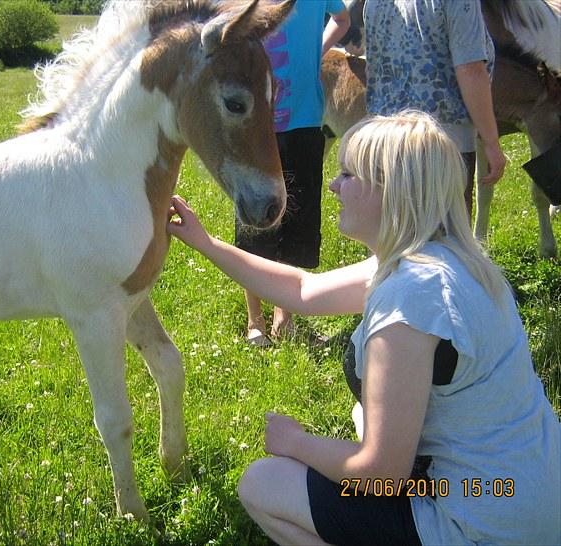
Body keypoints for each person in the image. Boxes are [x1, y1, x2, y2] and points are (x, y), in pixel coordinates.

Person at [167, 111, 560, 545]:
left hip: (480, 519)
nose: (334, 186)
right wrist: (206, 243)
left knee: (263, 483)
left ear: (392, 190)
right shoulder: (443, 258)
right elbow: (304, 290)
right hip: (529, 495)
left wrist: (296, 442)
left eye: (348, 174)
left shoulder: (410, 296)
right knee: (363, 416)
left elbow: (382, 473)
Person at [236, 0, 349, 346]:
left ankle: (284, 319)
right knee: (255, 222)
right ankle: (255, 322)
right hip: (255, 122)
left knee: (296, 218)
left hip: (304, 118)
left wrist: (318, 50)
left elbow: (342, 20)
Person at [363, 0, 506, 217]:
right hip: (443, 144)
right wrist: (491, 141)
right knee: (445, 241)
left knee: (393, 236)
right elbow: (471, 69)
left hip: (386, 139)